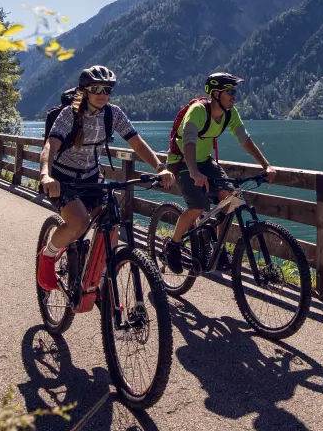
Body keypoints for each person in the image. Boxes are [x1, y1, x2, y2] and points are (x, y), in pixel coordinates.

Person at [37, 65, 174, 292]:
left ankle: (101, 278)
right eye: (96, 89)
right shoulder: (69, 114)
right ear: (85, 91)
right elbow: (50, 145)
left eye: (107, 89)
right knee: (79, 222)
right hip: (63, 179)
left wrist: (160, 167)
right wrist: (45, 175)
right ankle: (48, 255)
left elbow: (136, 142)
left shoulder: (113, 113)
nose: (102, 94)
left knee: (111, 224)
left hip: (92, 177)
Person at [163, 72, 275, 273]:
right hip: (181, 162)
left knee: (230, 201)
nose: (234, 95)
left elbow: (244, 140)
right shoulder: (198, 111)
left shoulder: (230, 113)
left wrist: (265, 165)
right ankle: (173, 245)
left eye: (235, 91)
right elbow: (188, 142)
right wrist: (194, 172)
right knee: (197, 207)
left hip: (204, 161)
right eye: (230, 91)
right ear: (215, 94)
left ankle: (218, 247)